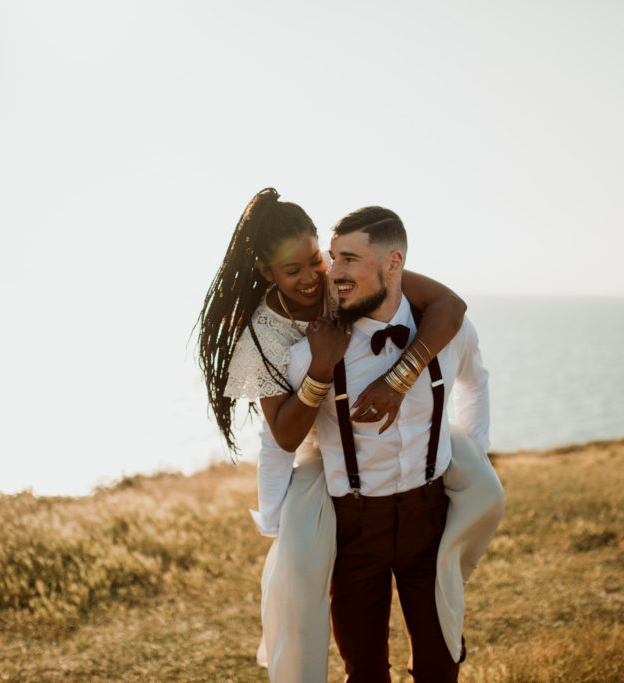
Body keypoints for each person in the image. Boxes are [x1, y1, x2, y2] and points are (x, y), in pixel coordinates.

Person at [197, 189, 502, 681]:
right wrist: (281, 527)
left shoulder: (366, 288)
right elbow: (280, 440)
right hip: (346, 498)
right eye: (292, 269)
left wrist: (409, 387)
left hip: (424, 501)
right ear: (266, 272)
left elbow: (451, 308)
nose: (317, 275)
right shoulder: (270, 340)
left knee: (442, 650)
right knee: (359, 662)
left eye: (317, 258)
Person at [285, 205, 494, 681]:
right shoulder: (311, 355)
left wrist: (474, 452)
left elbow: (475, 382)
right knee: (364, 670)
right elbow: (283, 440)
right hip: (355, 528)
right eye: (333, 257)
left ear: (393, 264)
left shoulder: (448, 334)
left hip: (430, 518)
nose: (333, 273)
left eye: (350, 260)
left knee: (443, 661)